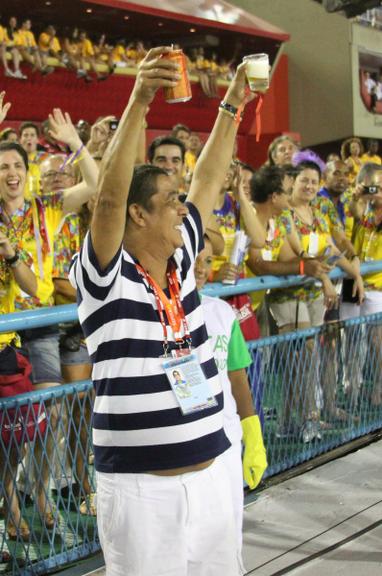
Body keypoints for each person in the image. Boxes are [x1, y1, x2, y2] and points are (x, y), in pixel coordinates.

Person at [70, 45, 256, 575]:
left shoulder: (177, 260)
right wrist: (140, 99)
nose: (185, 206)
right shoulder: (105, 275)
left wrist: (234, 101)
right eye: (171, 199)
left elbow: (211, 176)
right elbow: (106, 200)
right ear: (137, 214)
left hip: (213, 475)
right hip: (141, 491)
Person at [195, 233, 267, 573]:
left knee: (228, 530)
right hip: (187, 447)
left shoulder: (221, 311)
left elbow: (237, 377)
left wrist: (252, 433)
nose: (199, 267)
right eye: (193, 257)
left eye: (207, 260)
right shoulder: (157, 314)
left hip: (225, 440)